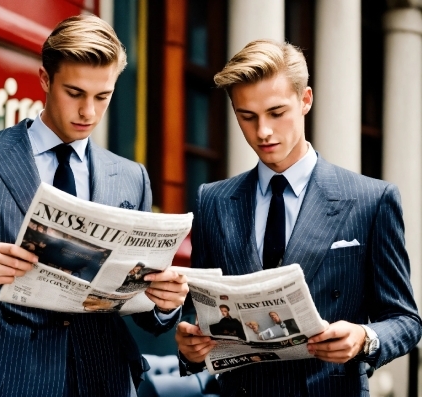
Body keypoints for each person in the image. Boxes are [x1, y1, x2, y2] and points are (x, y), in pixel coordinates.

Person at [0, 14, 188, 397]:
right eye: (74, 93)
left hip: (103, 379)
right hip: (5, 379)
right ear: (45, 79)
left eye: (102, 96)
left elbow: (146, 317)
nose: (88, 111)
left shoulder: (131, 177)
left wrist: (166, 305)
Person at [175, 39, 421, 396]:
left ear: (305, 100)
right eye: (247, 116)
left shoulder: (372, 199)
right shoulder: (213, 200)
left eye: (276, 113)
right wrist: (190, 346)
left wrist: (364, 337)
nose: (263, 132)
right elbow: (194, 311)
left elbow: (406, 320)